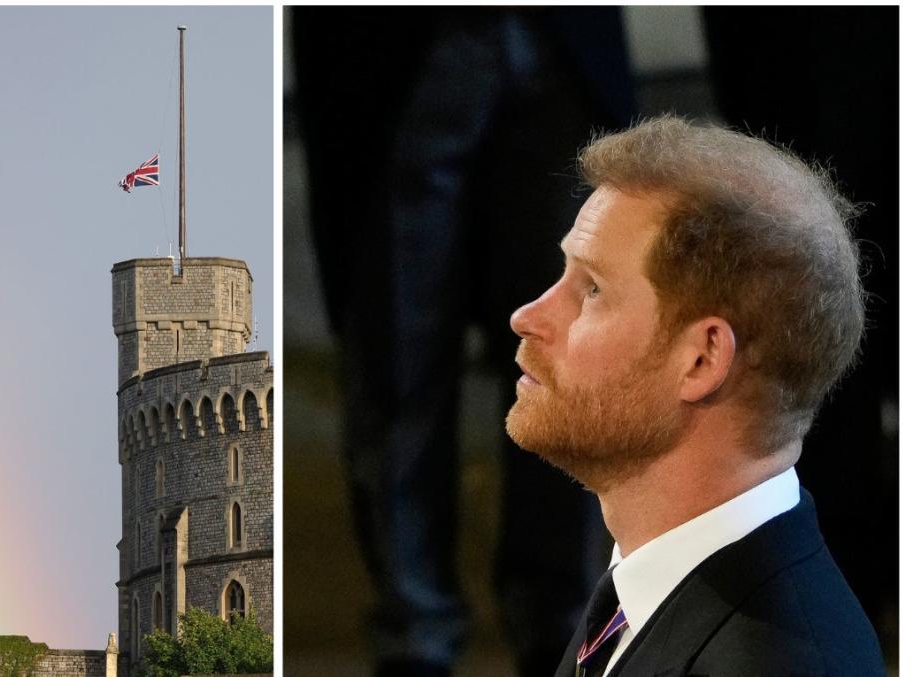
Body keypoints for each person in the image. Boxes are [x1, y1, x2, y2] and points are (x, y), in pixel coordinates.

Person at [292, 7, 636, 675]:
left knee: (578, 355)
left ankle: (567, 633)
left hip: (563, 34)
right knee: (398, 360)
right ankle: (415, 635)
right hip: (385, 41)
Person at [504, 115, 886, 677]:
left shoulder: (778, 661)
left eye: (591, 289)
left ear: (703, 358)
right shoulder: (644, 589)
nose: (526, 317)